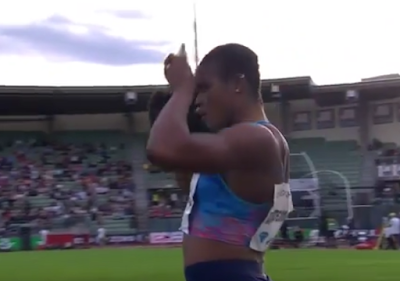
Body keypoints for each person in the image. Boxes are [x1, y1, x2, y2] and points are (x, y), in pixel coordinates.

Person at [147, 43, 292, 281]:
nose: (198, 100)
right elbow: (279, 211)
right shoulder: (271, 142)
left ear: (237, 84)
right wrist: (249, 254)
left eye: (204, 88)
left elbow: (161, 149)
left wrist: (182, 89)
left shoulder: (254, 138)